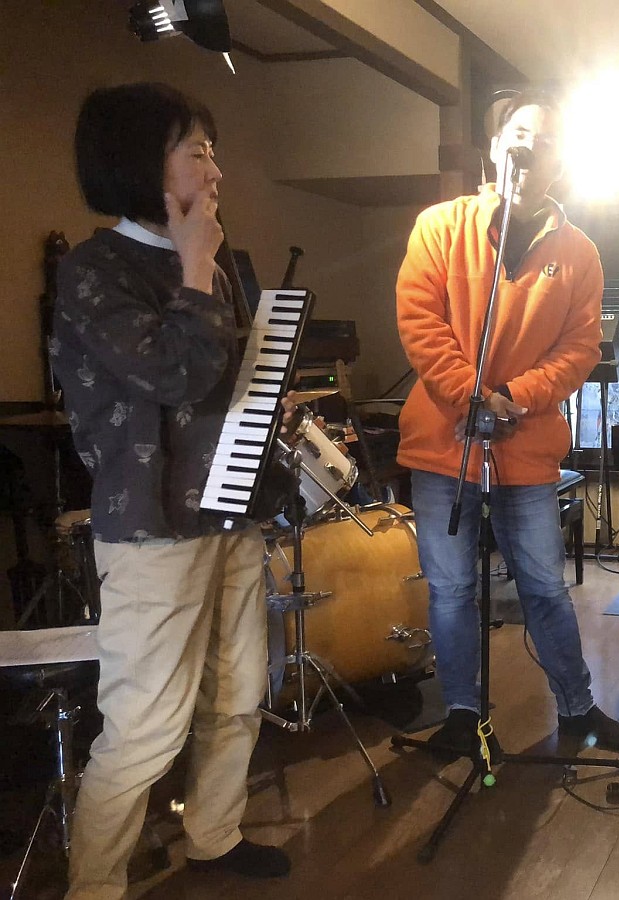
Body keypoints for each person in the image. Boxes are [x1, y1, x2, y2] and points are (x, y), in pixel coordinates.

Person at [53, 83, 290, 900]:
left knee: (238, 695)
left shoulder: (216, 263)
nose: (214, 168)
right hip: (151, 526)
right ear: (140, 162)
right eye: (197, 150)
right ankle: (95, 886)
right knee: (145, 727)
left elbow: (221, 381)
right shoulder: (93, 269)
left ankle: (214, 836)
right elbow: (170, 371)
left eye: (212, 150)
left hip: (231, 509)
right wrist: (194, 263)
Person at [391, 89, 619, 756]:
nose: (531, 151)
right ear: (495, 148)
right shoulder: (439, 227)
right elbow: (420, 323)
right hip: (443, 445)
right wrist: (470, 397)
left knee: (545, 588)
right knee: (451, 590)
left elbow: (580, 348)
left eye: (546, 142)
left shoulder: (580, 251)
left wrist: (512, 398)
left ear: (562, 160)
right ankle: (462, 715)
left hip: (526, 446)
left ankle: (578, 709)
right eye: (519, 137)